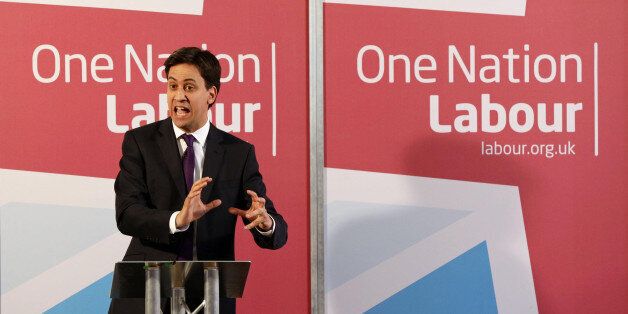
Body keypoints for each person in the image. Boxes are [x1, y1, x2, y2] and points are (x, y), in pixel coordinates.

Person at [109, 47, 287, 313]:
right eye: (172, 86)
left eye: (189, 87)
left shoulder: (238, 153)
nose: (178, 96)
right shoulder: (140, 142)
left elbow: (276, 231)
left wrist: (265, 221)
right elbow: (127, 214)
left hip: (210, 295)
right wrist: (177, 219)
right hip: (146, 291)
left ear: (211, 94)